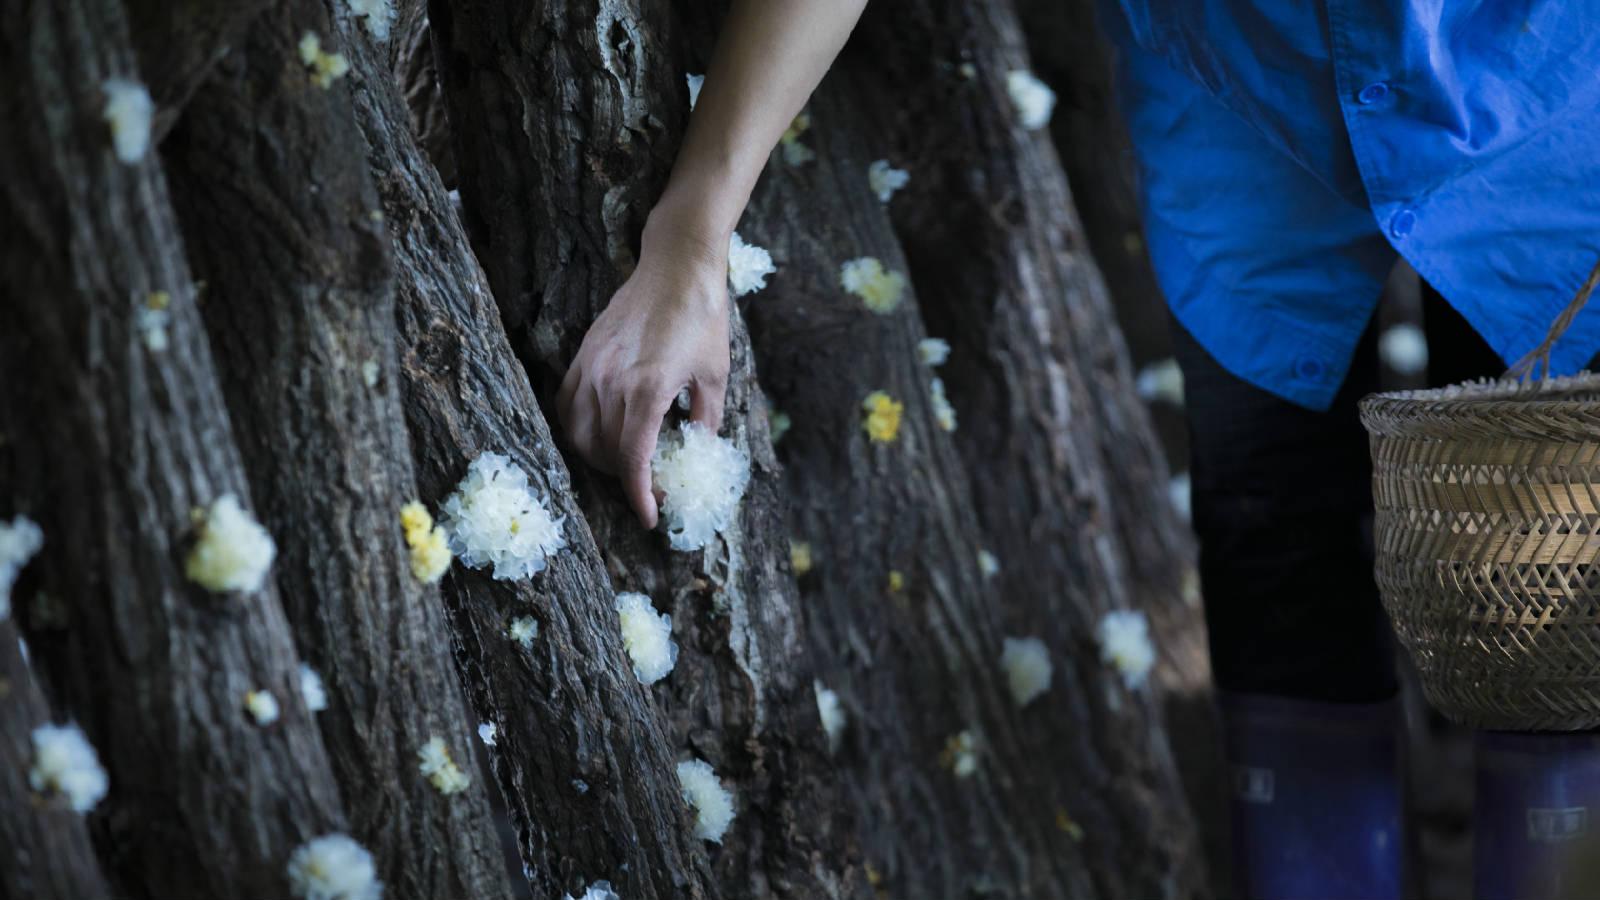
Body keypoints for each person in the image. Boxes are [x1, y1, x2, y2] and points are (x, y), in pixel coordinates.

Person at [560, 2, 1600, 899]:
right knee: (1274, 554)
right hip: (1239, 100)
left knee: (1560, 586)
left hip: (1543, 88)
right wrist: (693, 233)